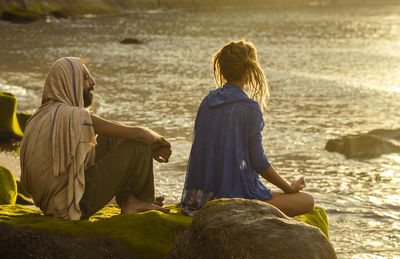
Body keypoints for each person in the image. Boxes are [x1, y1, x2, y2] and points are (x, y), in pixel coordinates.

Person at [20, 57, 171, 220]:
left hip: (53, 201)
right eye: (85, 78)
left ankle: (130, 201)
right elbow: (142, 135)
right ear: (70, 83)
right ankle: (145, 203)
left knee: (111, 137)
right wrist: (161, 142)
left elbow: (114, 128)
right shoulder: (72, 116)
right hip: (71, 206)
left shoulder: (38, 116)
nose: (93, 82)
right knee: (138, 145)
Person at [181, 40, 314, 217]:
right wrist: (288, 187)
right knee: (307, 201)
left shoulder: (208, 101)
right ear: (250, 70)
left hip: (196, 200)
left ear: (222, 68)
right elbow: (258, 162)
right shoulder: (249, 108)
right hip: (231, 200)